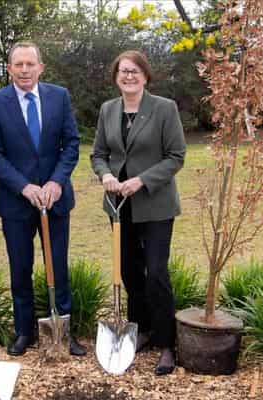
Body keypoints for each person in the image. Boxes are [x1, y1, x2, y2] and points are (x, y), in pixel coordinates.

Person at [0, 41, 86, 357]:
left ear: (41, 67)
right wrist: (24, 187)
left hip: (55, 201)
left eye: (30, 64)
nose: (25, 70)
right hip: (17, 202)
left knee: (58, 266)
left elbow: (71, 144)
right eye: (19, 64)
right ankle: (24, 332)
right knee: (20, 268)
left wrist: (56, 182)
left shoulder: (59, 97)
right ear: (10, 68)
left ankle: (62, 332)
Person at [91, 50, 186, 375]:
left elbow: (176, 156)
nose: (128, 76)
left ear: (145, 76)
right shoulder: (108, 109)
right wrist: (105, 175)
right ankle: (141, 330)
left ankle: (166, 344)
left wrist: (142, 180)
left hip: (155, 204)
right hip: (119, 206)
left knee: (156, 273)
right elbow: (98, 153)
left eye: (134, 71)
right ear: (116, 77)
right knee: (130, 273)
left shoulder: (164, 108)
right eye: (123, 72)